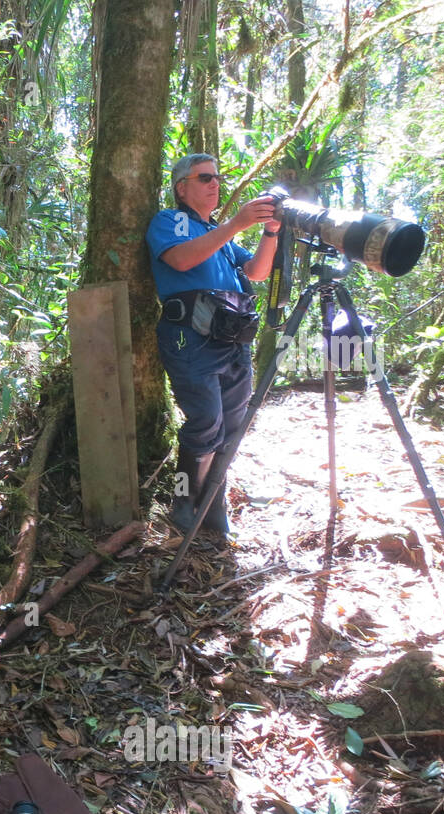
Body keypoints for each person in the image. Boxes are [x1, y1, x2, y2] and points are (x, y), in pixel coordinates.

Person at [146, 153, 281, 535]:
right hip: (189, 336)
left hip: (233, 337)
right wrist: (237, 224)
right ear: (181, 187)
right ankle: (183, 498)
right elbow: (183, 260)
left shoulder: (219, 234)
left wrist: (269, 231)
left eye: (217, 178)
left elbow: (256, 270)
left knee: (233, 424)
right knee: (205, 421)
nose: (214, 183)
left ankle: (213, 501)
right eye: (204, 177)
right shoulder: (170, 221)